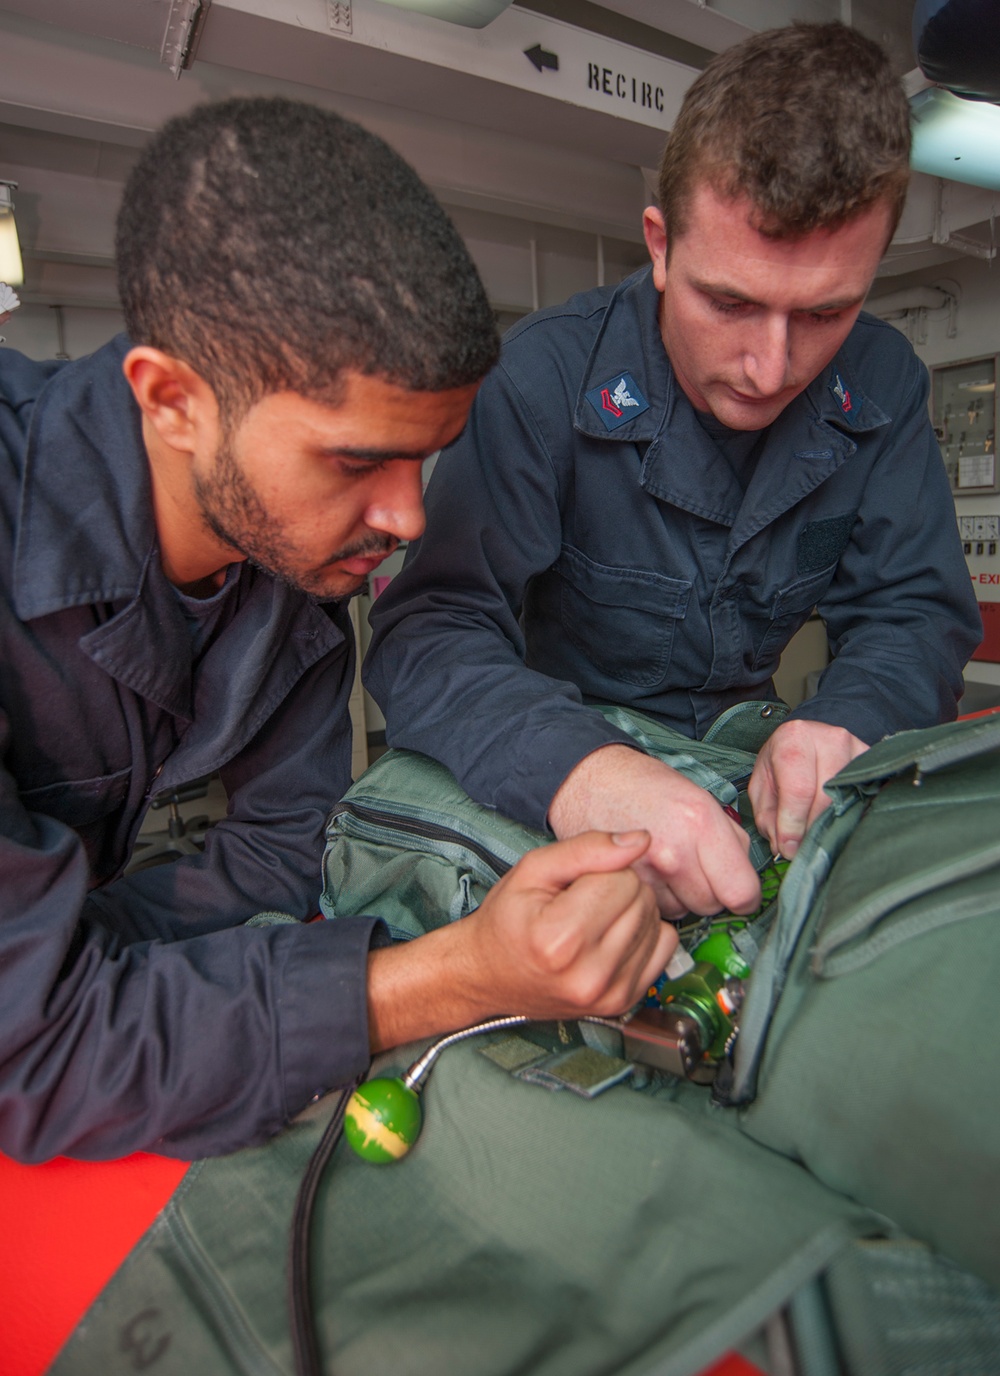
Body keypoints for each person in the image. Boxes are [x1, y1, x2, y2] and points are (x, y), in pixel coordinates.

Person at [0, 97, 676, 1163]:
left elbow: (278, 848)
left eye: (425, 459)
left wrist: (83, 972)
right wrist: (453, 975)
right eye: (357, 462)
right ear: (173, 399)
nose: (407, 519)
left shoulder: (289, 557)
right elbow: (33, 1055)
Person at [365, 21, 982, 921]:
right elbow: (431, 628)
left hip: (745, 758)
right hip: (561, 753)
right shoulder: (542, 380)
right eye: (729, 302)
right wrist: (579, 771)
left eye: (825, 313)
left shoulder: (882, 381)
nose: (769, 368)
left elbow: (912, 612)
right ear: (659, 245)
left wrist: (846, 723)